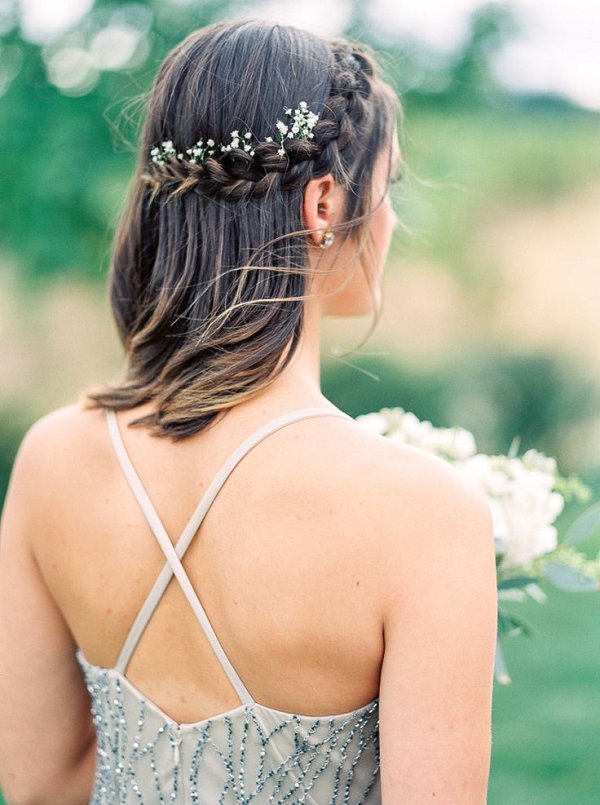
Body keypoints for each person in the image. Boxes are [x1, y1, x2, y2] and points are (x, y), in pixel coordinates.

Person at [0, 19, 497, 804]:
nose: (393, 221)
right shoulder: (428, 517)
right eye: (388, 187)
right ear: (325, 201)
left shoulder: (52, 457)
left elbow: (39, 786)